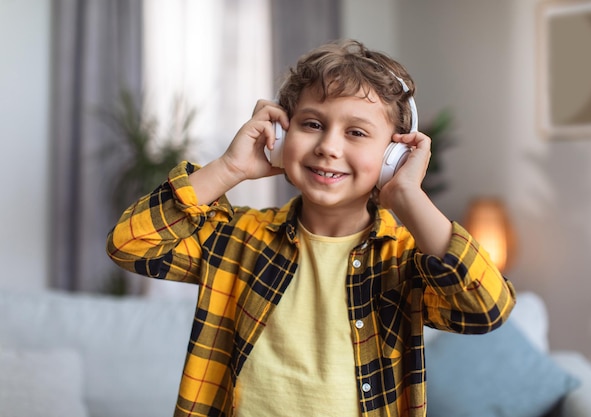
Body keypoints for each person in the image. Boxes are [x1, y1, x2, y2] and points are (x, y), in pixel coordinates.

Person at [106, 39, 516, 417]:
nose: (328, 147)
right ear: (281, 136)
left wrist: (410, 195)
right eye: (313, 124)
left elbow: (487, 308)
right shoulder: (239, 239)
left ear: (394, 154)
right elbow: (129, 243)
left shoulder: (404, 257)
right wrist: (229, 168)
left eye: (356, 132)